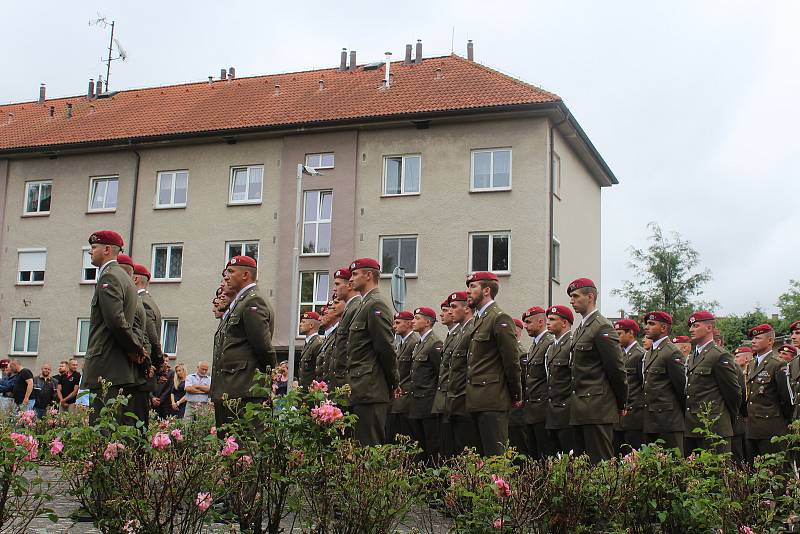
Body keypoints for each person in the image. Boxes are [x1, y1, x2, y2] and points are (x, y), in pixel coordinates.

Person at [82, 230, 145, 424]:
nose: (90, 252)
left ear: (107, 249)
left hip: (107, 365)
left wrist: (134, 349)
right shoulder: (123, 277)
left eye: (94, 248)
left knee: (102, 428)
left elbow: (116, 321)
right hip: (117, 366)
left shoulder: (110, 276)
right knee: (114, 427)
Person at [211, 255, 276, 431]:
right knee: (229, 449)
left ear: (245, 275)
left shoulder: (253, 301)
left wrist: (270, 375)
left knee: (244, 449)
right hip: (232, 388)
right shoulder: (240, 302)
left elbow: (263, 346)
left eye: (231, 272)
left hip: (244, 390)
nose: (226, 276)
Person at [567, 278, 627, 463]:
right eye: (571, 297)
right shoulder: (581, 329)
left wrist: (621, 403)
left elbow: (616, 369)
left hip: (597, 408)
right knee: (582, 466)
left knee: (600, 465)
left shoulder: (601, 327)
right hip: (580, 408)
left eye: (576, 296)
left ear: (590, 296)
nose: (571, 301)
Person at [464, 271, 522, 456]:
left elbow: (511, 361)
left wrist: (515, 394)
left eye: (473, 286)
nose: (468, 291)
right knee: (479, 462)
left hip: (493, 400)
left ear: (486, 290)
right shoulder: (479, 319)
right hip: (476, 399)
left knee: (495, 458)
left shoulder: (499, 318)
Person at [346, 258, 399, 446]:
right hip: (361, 388)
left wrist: (394, 382)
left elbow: (386, 348)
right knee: (358, 447)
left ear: (369, 275)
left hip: (371, 389)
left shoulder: (376, 304)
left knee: (368, 447)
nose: (350, 279)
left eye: (355, 274)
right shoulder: (363, 305)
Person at [684, 311, 741, 454]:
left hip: (715, 428)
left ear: (709, 328)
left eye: (696, 326)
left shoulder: (719, 355)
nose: (691, 330)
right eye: (691, 326)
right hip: (693, 428)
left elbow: (733, 394)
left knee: (715, 473)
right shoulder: (692, 357)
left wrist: (726, 420)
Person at [744, 324, 795, 460]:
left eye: (758, 338)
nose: (754, 341)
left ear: (770, 341)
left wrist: (783, 423)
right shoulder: (751, 364)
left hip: (772, 429)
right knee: (753, 473)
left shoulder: (777, 364)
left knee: (775, 472)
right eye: (753, 338)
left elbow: (786, 398)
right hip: (752, 428)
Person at [117, 253, 155, 428]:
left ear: (136, 279)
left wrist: (150, 362)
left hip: (139, 370)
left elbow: (148, 336)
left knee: (133, 422)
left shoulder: (141, 302)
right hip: (143, 369)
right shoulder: (148, 301)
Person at [641, 312, 686, 455]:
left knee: (672, 468)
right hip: (651, 420)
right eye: (647, 323)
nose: (646, 327)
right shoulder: (650, 352)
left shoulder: (671, 352)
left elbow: (682, 388)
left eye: (651, 324)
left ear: (664, 328)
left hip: (668, 422)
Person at [406, 307, 443, 461]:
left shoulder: (434, 343)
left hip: (428, 402)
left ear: (428, 322)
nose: (413, 321)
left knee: (432, 445)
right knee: (419, 446)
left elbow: (439, 374)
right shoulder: (420, 343)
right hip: (416, 402)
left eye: (417, 318)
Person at [446, 291, 479, 454]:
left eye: (453, 307)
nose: (449, 311)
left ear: (466, 308)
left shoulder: (472, 330)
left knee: (468, 453)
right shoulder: (459, 333)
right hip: (456, 403)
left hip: (466, 402)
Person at [522, 306, 556, 459]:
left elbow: (551, 378)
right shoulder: (535, 344)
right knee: (534, 456)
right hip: (532, 410)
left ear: (541, 321)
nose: (525, 326)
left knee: (544, 455)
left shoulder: (548, 343)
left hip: (542, 410)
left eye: (529, 322)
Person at [544, 305, 575, 454]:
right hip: (553, 412)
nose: (547, 322)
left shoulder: (572, 344)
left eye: (552, 319)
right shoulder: (551, 348)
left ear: (564, 323)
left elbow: (575, 378)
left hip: (567, 412)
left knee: (570, 459)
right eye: (547, 319)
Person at [431, 296, 460, 458]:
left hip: (453, 400)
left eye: (445, 310)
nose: (441, 314)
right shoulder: (450, 336)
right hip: (444, 401)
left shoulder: (458, 335)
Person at [614, 318, 645, 455]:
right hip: (619, 417)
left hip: (634, 416)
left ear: (631, 333)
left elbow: (644, 385)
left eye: (619, 333)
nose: (616, 336)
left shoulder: (640, 355)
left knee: (632, 457)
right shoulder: (618, 353)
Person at [388, 310, 418, 443]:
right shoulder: (400, 344)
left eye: (398, 323)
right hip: (398, 400)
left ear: (408, 324)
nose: (394, 326)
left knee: (405, 437)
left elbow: (414, 372)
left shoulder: (414, 342)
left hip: (406, 399)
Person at [332, 267, 362, 392]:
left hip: (350, 380)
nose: (334, 288)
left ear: (349, 285)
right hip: (343, 379)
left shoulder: (356, 307)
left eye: (338, 284)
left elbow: (353, 346)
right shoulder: (349, 308)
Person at [509, 317, 530, 456]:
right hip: (509, 412)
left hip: (517, 413)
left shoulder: (520, 352)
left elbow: (524, 383)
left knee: (518, 452)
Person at [732, 346, 753, 463]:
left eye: (737, 356)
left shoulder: (751, 374)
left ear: (746, 359)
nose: (735, 359)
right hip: (741, 418)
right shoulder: (735, 373)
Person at [298, 311, 323, 389]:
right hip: (305, 392)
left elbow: (319, 370)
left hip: (311, 393)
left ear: (311, 325)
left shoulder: (317, 344)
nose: (300, 324)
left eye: (303, 322)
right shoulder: (309, 343)